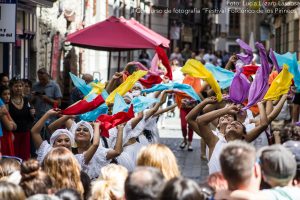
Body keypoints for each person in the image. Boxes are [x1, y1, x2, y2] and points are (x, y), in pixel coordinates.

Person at [187, 95, 286, 174]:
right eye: (222, 117)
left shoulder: (243, 140)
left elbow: (265, 123)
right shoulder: (215, 141)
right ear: (222, 130)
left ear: (243, 134)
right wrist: (214, 105)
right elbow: (197, 120)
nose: (230, 121)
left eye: (234, 122)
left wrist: (261, 103)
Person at [9, 78, 35, 160]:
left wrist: (32, 113)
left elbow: (31, 117)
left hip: (25, 133)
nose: (18, 88)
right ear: (11, 88)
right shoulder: (8, 101)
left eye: (20, 86)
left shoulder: (26, 100)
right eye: (16, 86)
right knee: (14, 157)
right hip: (13, 134)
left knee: (25, 157)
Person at [0, 85, 17, 156]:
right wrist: (11, 123)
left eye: (9, 94)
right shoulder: (2, 107)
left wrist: (11, 123)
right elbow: (10, 127)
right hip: (4, 138)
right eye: (5, 94)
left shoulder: (6, 106)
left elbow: (15, 126)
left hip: (8, 136)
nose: (7, 96)